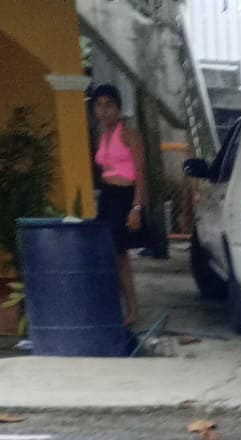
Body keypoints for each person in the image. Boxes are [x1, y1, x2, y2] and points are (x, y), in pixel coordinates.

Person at [91, 84, 146, 327]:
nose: (104, 111)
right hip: (107, 196)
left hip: (125, 197)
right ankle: (120, 308)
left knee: (120, 255)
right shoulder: (101, 137)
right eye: (99, 106)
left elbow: (141, 173)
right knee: (109, 255)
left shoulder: (129, 135)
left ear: (119, 108)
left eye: (109, 105)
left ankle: (132, 310)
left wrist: (137, 207)